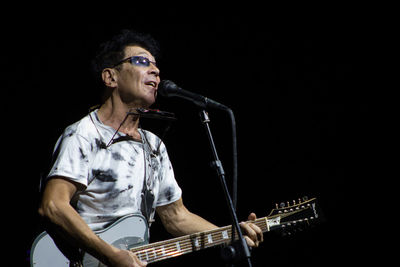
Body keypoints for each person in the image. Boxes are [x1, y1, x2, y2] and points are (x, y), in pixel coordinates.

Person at [38, 29, 263, 267]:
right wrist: (110, 255)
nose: (155, 70)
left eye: (155, 65)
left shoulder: (154, 146)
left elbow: (176, 216)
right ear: (110, 77)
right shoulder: (83, 134)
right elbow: (53, 206)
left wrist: (230, 234)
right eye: (141, 61)